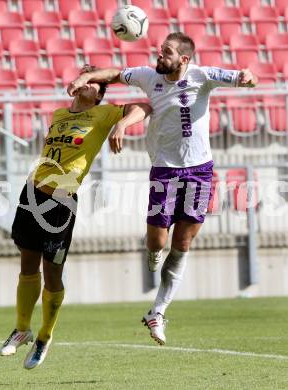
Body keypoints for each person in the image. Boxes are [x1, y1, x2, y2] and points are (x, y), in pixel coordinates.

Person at [67, 32, 258, 346]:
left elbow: (240, 76)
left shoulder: (202, 75)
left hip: (200, 172)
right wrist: (87, 75)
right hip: (165, 171)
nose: (159, 56)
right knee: (157, 242)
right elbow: (115, 74)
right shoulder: (147, 76)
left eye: (166, 52)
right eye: (159, 50)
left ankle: (158, 311)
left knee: (182, 242)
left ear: (183, 59)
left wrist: (248, 77)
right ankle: (154, 252)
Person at [0, 65, 152, 369]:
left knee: (52, 272)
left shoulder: (104, 114)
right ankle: (21, 329)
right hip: (32, 193)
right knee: (27, 265)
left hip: (62, 199)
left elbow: (144, 107)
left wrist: (121, 126)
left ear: (99, 94)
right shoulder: (59, 114)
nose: (88, 83)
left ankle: (44, 335)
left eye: (95, 81)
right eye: (85, 77)